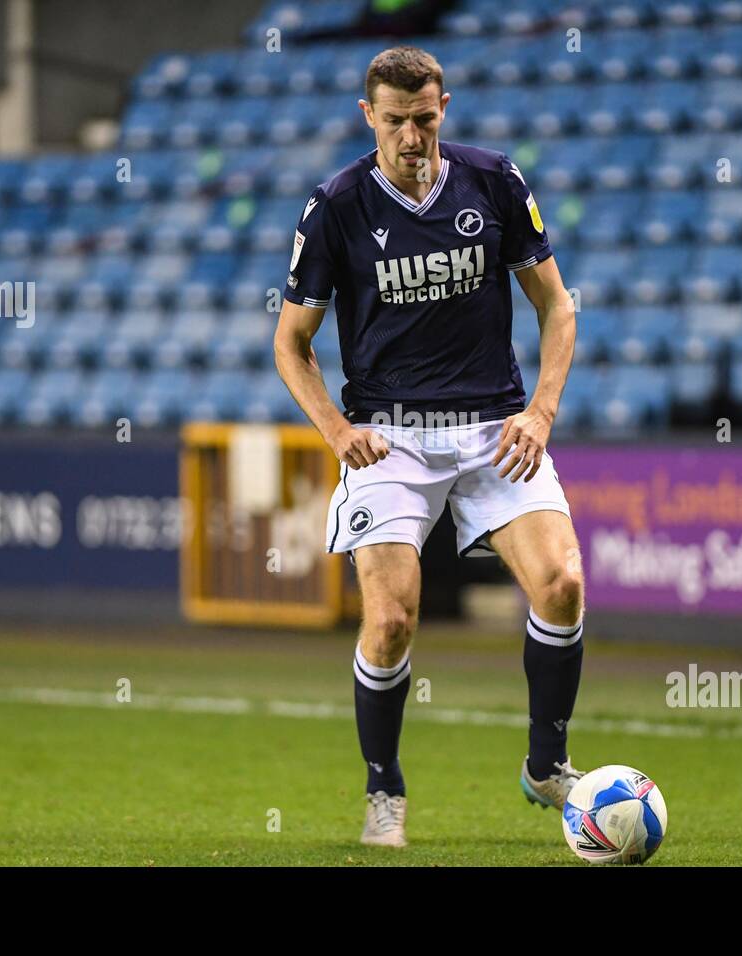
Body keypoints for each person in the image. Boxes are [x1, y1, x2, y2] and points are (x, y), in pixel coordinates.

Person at [273, 46, 585, 848]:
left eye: (425, 118)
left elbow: (558, 307)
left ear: (443, 106)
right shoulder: (336, 206)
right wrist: (338, 433)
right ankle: (385, 788)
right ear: (367, 115)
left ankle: (546, 765)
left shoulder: (495, 183)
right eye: (395, 120)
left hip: (494, 427)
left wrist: (541, 414)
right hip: (390, 438)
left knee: (561, 586)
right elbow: (292, 344)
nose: (412, 136)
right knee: (391, 622)